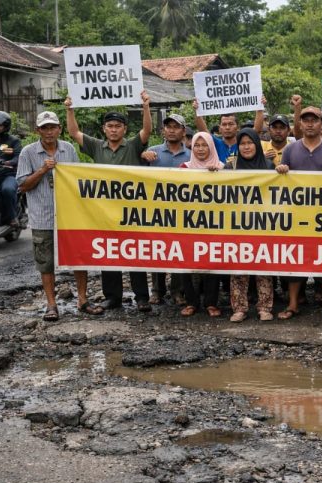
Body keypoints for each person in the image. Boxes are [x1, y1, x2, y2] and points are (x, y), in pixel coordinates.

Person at [64, 91, 152, 312]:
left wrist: (146, 106)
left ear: (125, 129)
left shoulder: (132, 146)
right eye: (110, 126)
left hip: (132, 212)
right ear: (104, 129)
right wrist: (69, 109)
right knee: (109, 254)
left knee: (135, 253)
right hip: (104, 213)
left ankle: (142, 297)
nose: (114, 129)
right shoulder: (96, 146)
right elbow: (74, 132)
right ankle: (112, 297)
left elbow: (147, 130)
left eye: (118, 126)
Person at [16, 111, 104, 321]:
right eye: (44, 128)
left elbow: (77, 179)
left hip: (69, 217)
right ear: (37, 130)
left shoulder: (68, 149)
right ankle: (51, 305)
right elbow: (22, 185)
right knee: (45, 263)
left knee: (78, 258)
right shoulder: (28, 153)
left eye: (52, 127)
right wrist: (41, 171)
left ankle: (82, 300)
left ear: (59, 129)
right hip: (42, 217)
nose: (49, 132)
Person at [275, 106, 322, 322]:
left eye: (314, 120)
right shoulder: (290, 149)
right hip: (297, 217)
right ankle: (293, 304)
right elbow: (281, 182)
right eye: (305, 120)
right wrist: (281, 171)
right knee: (296, 260)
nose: (309, 123)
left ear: (321, 123)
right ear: (300, 124)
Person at [140, 113, 192, 306]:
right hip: (158, 211)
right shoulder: (152, 153)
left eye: (176, 127)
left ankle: (177, 291)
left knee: (179, 250)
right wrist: (142, 157)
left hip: (183, 212)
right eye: (168, 126)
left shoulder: (191, 154)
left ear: (183, 131)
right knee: (158, 250)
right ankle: (157, 290)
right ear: (163, 130)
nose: (171, 130)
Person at [227, 128, 275, 322]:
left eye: (250, 143)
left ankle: (265, 307)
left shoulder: (269, 166)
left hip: (264, 225)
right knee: (239, 268)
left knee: (264, 267)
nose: (246, 147)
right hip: (238, 225)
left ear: (257, 144)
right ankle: (239, 308)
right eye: (242, 143)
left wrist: (282, 172)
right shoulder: (230, 167)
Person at [178, 132, 225, 317]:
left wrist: (219, 175)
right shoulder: (184, 167)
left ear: (211, 147)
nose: (200, 149)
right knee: (185, 262)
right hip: (189, 223)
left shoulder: (222, 167)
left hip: (215, 224)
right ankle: (191, 302)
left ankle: (211, 303)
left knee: (212, 262)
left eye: (204, 145)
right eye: (196, 145)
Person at [192, 98, 265, 165]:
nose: (227, 127)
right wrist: (197, 111)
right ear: (219, 128)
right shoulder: (215, 143)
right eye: (224, 124)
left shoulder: (243, 145)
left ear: (238, 127)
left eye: (231, 124)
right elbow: (203, 130)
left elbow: (256, 130)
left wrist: (260, 108)